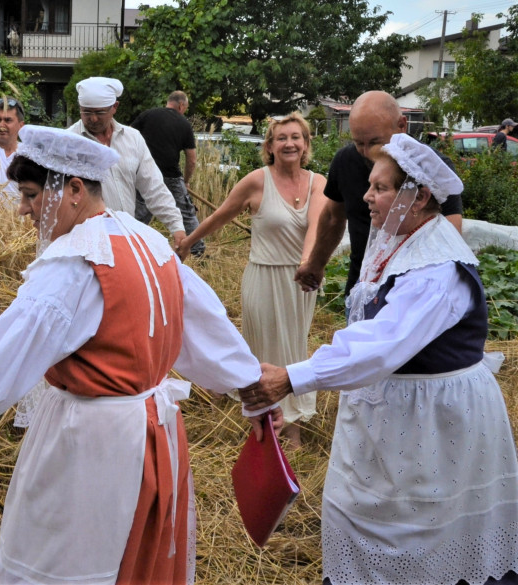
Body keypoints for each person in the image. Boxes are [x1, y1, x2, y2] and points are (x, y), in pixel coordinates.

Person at [0, 125, 275, 584]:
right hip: (156, 435)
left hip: (92, 443)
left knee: (68, 559)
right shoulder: (147, 241)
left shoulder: (74, 266)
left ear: (73, 190)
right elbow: (208, 329)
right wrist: (251, 387)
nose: (23, 210)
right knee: (133, 555)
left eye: (31, 195)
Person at [244, 133, 518, 585]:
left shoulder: (436, 268)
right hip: (392, 411)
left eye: (381, 187)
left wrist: (293, 377)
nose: (367, 196)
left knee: (421, 530)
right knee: (363, 516)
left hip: (431, 420)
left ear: (420, 196)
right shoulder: (395, 243)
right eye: (370, 185)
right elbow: (362, 333)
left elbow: (380, 344)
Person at [178, 113, 326, 450]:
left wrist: (308, 264)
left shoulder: (318, 182)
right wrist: (187, 243)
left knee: (294, 346)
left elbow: (317, 226)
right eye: (281, 138)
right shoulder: (256, 181)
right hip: (263, 275)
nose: (289, 143)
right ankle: (281, 423)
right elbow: (220, 216)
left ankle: (265, 406)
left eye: (296, 137)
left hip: (302, 281)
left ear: (305, 144)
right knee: (265, 345)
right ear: (270, 146)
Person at [295, 91, 463, 295]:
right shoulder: (345, 161)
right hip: (362, 287)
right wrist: (315, 264)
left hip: (412, 291)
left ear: (402, 125)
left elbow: (451, 236)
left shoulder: (432, 170)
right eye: (359, 143)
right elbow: (332, 217)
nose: (366, 152)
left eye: (375, 142)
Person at [67, 77, 187, 252]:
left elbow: (153, 187)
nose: (93, 119)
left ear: (114, 107)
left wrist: (176, 226)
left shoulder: (133, 139)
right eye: (86, 112)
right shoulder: (68, 142)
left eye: (100, 113)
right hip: (84, 242)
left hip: (124, 239)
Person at [131, 91, 202, 256]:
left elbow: (128, 137)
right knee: (185, 213)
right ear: (181, 105)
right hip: (171, 175)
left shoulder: (148, 115)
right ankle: (198, 250)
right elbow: (191, 159)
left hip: (144, 173)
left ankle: (130, 243)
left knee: (140, 212)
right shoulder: (184, 123)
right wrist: (185, 181)